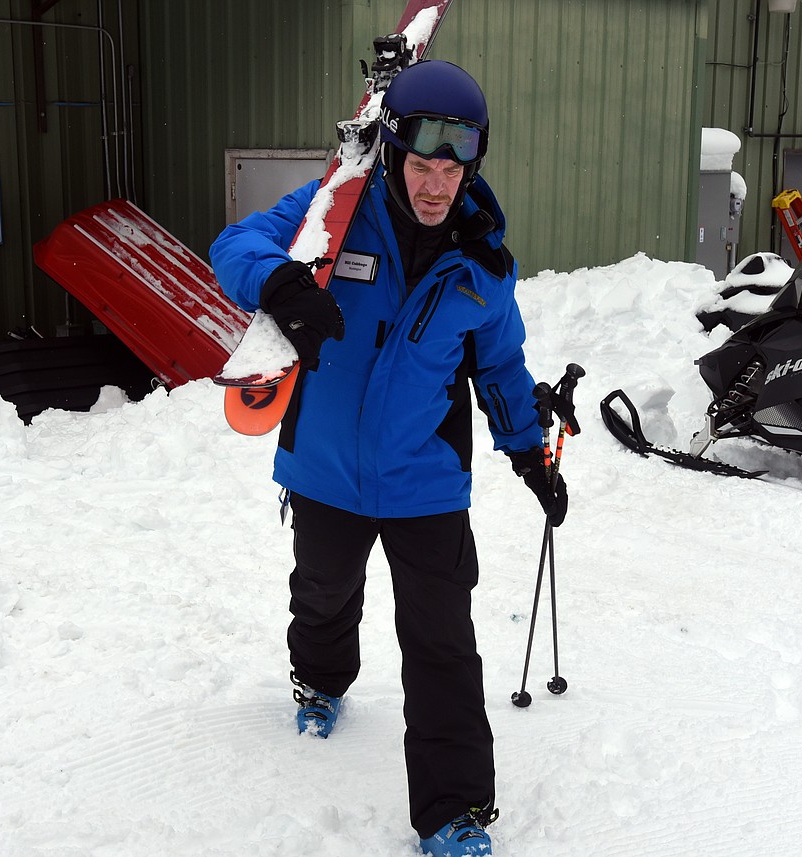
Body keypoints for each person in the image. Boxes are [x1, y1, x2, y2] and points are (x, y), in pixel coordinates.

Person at [209, 59, 567, 857]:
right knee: (325, 593)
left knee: (442, 644)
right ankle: (320, 680)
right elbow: (235, 243)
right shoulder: (336, 213)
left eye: (454, 167)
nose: (437, 184)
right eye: (421, 162)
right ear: (394, 148)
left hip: (424, 480)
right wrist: (282, 285)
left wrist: (529, 454)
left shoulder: (481, 262)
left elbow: (501, 367)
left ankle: (453, 811)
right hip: (325, 465)